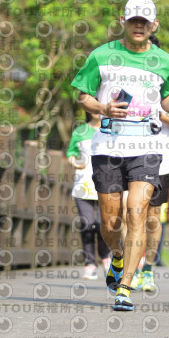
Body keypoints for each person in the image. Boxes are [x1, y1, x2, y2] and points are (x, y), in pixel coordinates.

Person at [71, 0, 169, 311]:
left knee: (137, 211)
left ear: (154, 26)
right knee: (110, 222)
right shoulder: (102, 55)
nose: (139, 25)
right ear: (123, 21)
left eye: (145, 21)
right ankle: (117, 257)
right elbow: (83, 95)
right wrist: (103, 107)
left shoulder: (164, 60)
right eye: (134, 20)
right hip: (107, 147)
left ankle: (125, 287)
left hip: (147, 148)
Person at [131, 34, 169, 291]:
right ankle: (127, 265)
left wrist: (157, 112)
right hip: (126, 158)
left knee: (152, 219)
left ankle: (148, 269)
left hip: (157, 161)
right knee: (128, 215)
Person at [67, 111, 111, 280]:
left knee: (102, 224)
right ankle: (89, 264)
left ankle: (106, 258)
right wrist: (75, 163)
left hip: (106, 184)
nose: (97, 109)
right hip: (83, 185)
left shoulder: (111, 129)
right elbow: (70, 153)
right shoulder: (80, 131)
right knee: (86, 223)